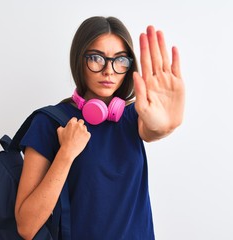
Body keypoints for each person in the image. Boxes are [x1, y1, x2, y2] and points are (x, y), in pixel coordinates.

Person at [14, 16, 185, 240]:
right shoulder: (49, 122)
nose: (109, 70)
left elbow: (153, 129)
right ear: (79, 60)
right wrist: (66, 154)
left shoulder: (135, 116)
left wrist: (166, 126)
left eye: (120, 60)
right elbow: (26, 227)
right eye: (96, 58)